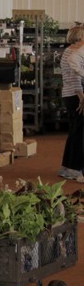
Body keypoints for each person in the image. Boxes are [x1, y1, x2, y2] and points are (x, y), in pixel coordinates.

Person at [58, 25, 84, 182]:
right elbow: (75, 79)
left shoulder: (70, 51)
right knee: (80, 133)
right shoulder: (72, 53)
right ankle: (76, 169)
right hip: (76, 96)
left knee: (75, 132)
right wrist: (82, 98)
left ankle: (68, 168)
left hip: (70, 95)